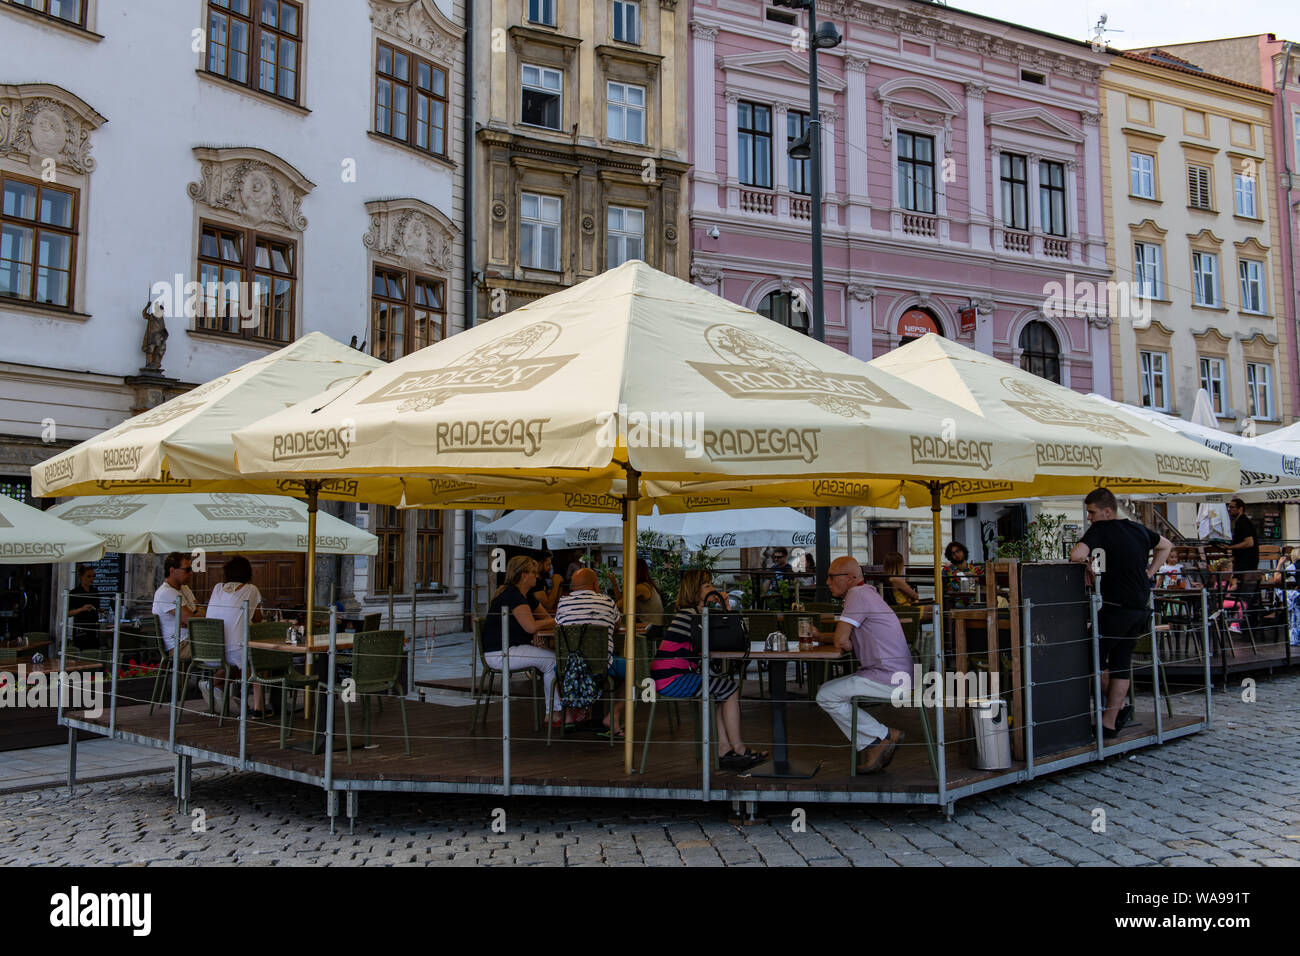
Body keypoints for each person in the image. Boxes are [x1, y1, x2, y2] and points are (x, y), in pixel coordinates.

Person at [1069, 487, 1172, 739]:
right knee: (1120, 664)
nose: (1089, 518)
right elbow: (1166, 545)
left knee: (1089, 661)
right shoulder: (1137, 529)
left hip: (1116, 608)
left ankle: (1119, 708)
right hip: (1139, 607)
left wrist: (1086, 566)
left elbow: (1076, 554)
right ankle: (1109, 722)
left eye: (1092, 513)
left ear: (1107, 511)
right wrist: (1149, 573)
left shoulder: (1102, 529)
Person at [650, 569, 766, 771]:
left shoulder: (695, 614)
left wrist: (726, 606)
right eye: (707, 586)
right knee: (729, 690)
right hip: (672, 679)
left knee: (723, 689)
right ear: (695, 591)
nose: (713, 589)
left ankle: (724, 749)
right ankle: (737, 748)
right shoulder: (691, 617)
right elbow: (730, 639)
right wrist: (726, 608)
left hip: (669, 676)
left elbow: (728, 637)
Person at [815, 556, 914, 773]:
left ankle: (883, 736)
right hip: (894, 673)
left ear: (850, 578)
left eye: (832, 577)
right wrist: (822, 637)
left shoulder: (856, 595)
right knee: (829, 692)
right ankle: (876, 741)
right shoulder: (866, 593)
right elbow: (845, 639)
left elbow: (842, 641)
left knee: (825, 695)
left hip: (888, 676)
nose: (827, 582)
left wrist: (840, 639)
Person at [484, 555, 560, 724]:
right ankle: (554, 712)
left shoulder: (526, 597)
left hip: (512, 649)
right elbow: (532, 626)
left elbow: (541, 621)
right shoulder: (513, 596)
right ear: (524, 576)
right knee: (552, 661)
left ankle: (556, 709)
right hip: (500, 653)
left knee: (552, 658)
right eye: (533, 573)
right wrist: (557, 620)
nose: (537, 576)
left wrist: (538, 628)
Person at [555, 567, 621, 731]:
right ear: (595, 584)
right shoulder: (607, 601)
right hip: (604, 665)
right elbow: (616, 626)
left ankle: (569, 714)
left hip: (570, 666)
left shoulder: (562, 603)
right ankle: (613, 715)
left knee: (557, 671)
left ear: (573, 586)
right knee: (633, 670)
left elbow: (559, 627)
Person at [206, 556, 268, 717]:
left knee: (239, 661)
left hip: (211, 651)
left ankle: (214, 686)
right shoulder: (251, 589)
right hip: (235, 651)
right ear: (248, 573)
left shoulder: (217, 588)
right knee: (259, 663)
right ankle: (257, 708)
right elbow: (258, 618)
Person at [151, 552, 197, 659]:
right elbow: (193, 621)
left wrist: (191, 617)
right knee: (224, 648)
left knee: (227, 646)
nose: (191, 573)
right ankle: (219, 675)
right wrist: (192, 618)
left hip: (191, 639)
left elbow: (199, 611)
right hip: (180, 646)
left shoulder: (184, 588)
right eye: (187, 570)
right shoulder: (166, 593)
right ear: (172, 570)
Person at [882, 551, 931, 621]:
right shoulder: (897, 580)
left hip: (900, 609)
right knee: (938, 610)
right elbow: (915, 596)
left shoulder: (887, 579)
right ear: (898, 565)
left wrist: (909, 598)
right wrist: (910, 598)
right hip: (907, 610)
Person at [67, 564, 102, 652]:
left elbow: (97, 608)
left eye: (93, 576)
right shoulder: (75, 592)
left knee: (93, 651)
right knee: (82, 650)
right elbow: (68, 613)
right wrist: (82, 609)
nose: (91, 579)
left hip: (93, 627)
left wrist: (101, 611)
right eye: (88, 576)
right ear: (81, 577)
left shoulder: (94, 591)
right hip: (81, 628)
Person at [1224, 498, 1258, 576]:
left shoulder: (1243, 522)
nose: (1229, 509)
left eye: (1232, 507)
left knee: (1241, 585)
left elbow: (1249, 543)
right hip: (1244, 561)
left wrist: (1230, 547)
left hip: (1246, 563)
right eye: (1229, 507)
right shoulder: (1240, 521)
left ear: (1240, 508)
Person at [942, 541, 977, 610]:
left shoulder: (975, 569)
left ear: (963, 551)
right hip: (954, 604)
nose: (957, 555)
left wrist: (975, 577)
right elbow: (942, 589)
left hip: (974, 603)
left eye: (958, 551)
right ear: (950, 556)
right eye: (953, 553)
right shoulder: (947, 570)